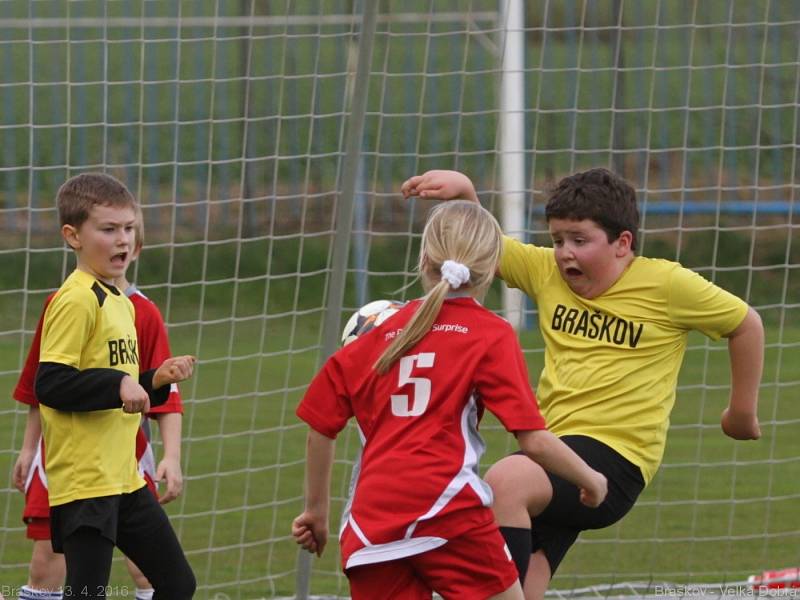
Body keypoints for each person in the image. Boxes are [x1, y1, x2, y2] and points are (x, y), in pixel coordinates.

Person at [401, 169, 764, 599]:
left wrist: (741, 411)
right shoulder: (545, 272)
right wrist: (465, 191)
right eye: (557, 240)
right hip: (554, 449)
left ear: (622, 244)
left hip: (616, 459)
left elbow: (746, 324)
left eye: (579, 240)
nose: (564, 253)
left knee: (507, 482)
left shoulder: (667, 284)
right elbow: (484, 252)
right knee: (528, 578)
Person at [291, 200, 608, 599]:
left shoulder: (374, 337)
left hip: (370, 526)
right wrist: (591, 479)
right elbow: (534, 440)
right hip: (447, 513)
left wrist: (316, 512)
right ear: (493, 268)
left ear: (424, 257)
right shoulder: (489, 334)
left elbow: (320, 425)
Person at [33, 172, 197, 598]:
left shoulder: (121, 301)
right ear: (73, 236)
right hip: (86, 483)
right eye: (108, 230)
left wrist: (154, 381)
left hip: (124, 480)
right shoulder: (75, 299)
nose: (123, 239)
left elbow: (119, 387)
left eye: (128, 228)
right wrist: (119, 382)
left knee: (178, 584)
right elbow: (50, 383)